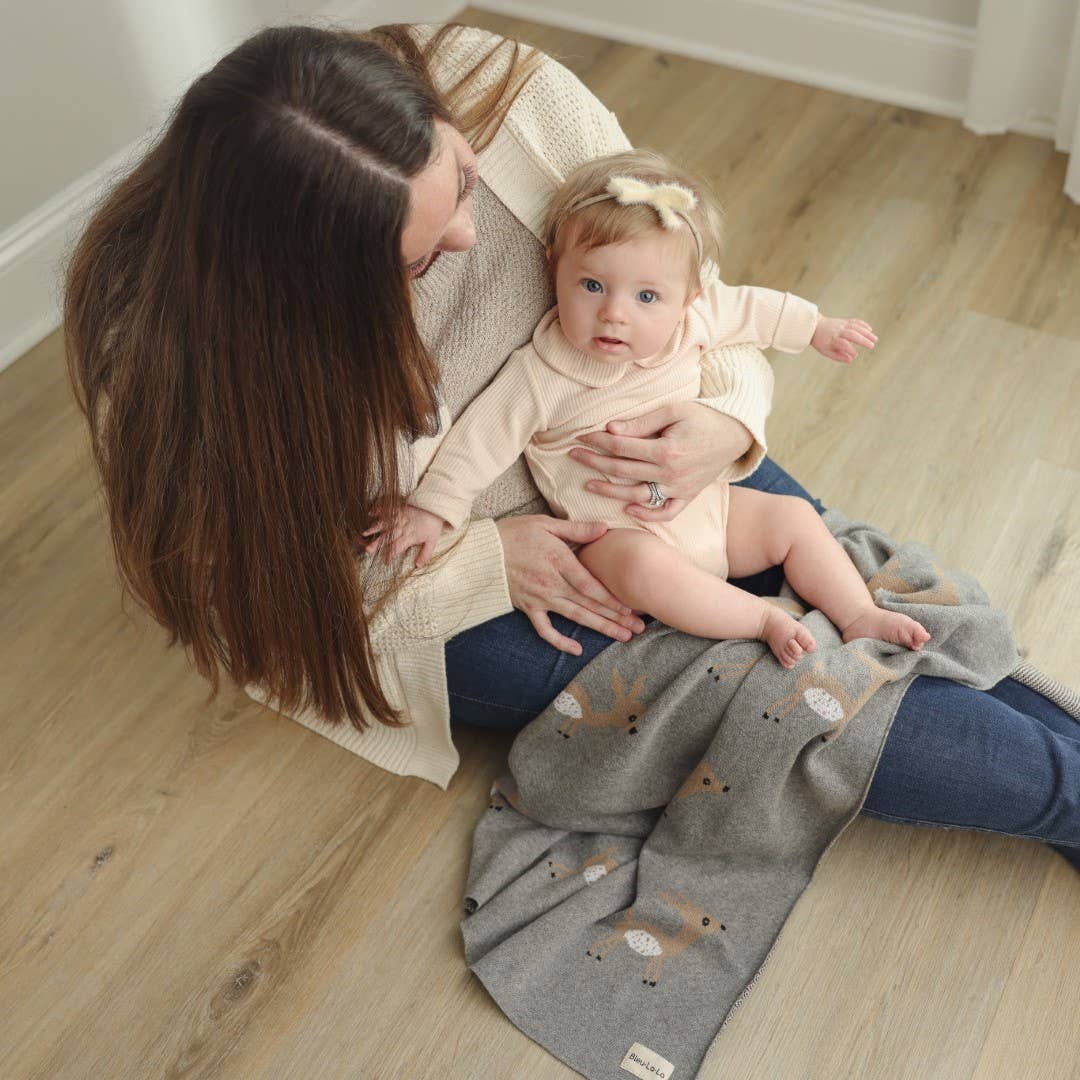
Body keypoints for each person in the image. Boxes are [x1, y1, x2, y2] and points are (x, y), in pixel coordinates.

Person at [63, 21, 1080, 874]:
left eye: (463, 180)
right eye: (416, 260)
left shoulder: (501, 93)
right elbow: (266, 595)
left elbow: (684, 281)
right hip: (479, 586)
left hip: (650, 469)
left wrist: (722, 422)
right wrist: (484, 556)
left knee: (864, 595)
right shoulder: (165, 366)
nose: (469, 238)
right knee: (782, 695)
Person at [371, 148, 929, 667]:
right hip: (617, 538)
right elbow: (480, 441)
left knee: (794, 518)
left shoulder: (695, 320)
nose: (614, 313)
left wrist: (817, 327)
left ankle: (858, 615)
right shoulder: (542, 373)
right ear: (554, 266)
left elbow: (755, 309)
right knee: (643, 568)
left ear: (688, 296)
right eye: (592, 285)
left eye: (646, 297)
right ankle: (761, 619)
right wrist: (433, 508)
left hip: (711, 511)